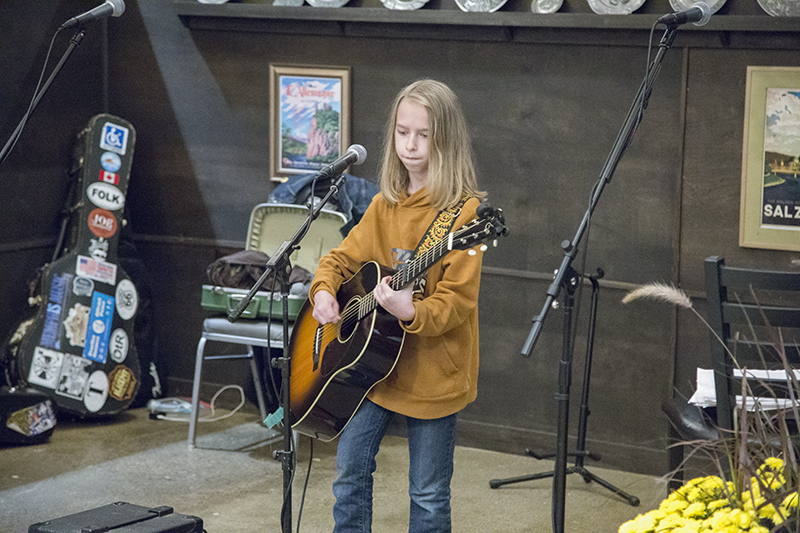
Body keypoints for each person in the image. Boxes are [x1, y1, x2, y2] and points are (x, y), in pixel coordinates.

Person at [309, 79, 486, 532]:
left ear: (445, 139)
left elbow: (455, 304)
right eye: (402, 132)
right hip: (371, 369)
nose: (410, 144)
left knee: (427, 497)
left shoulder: (464, 217)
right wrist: (325, 292)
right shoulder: (385, 204)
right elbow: (339, 258)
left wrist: (411, 312)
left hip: (433, 378)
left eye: (423, 135)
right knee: (349, 475)